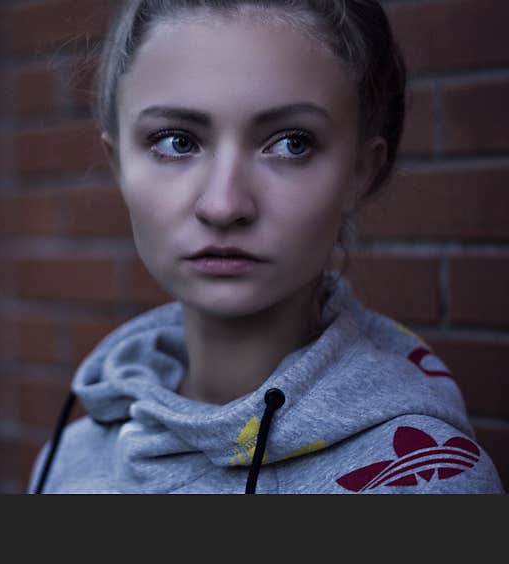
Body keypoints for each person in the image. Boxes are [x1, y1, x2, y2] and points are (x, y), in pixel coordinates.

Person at [26, 0, 504, 494]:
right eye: (176, 142)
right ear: (118, 164)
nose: (224, 204)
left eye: (291, 143)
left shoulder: (428, 482)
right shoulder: (68, 459)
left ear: (361, 171)